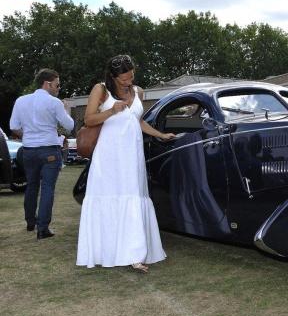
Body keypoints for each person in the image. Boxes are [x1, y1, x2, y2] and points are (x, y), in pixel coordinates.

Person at [76, 55, 174, 272]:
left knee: (133, 198)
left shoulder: (138, 91)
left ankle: (135, 253)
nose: (129, 79)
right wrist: (111, 110)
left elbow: (137, 120)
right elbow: (89, 119)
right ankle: (110, 251)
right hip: (109, 156)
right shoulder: (100, 90)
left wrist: (160, 135)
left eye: (131, 74)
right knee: (110, 197)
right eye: (124, 77)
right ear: (112, 76)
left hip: (132, 156)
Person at [9, 68, 74, 239]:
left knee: (31, 185)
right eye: (57, 85)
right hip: (49, 149)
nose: (58, 88)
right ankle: (43, 228)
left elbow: (13, 126)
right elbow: (69, 126)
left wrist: (29, 136)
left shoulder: (21, 101)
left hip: (28, 150)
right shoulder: (55, 103)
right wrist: (66, 110)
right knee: (47, 188)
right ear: (48, 83)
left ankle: (31, 222)